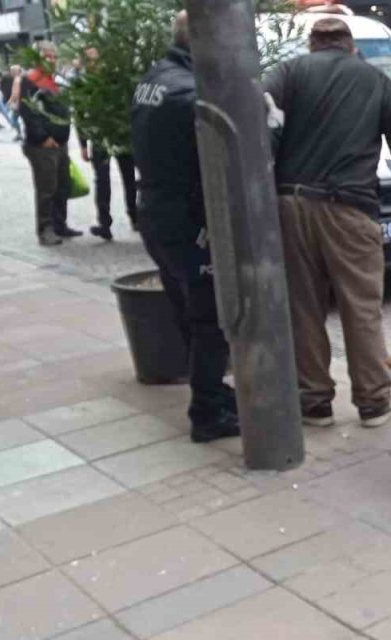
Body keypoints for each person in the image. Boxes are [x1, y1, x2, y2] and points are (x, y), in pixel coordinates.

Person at [264, 17, 391, 429]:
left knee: (303, 308)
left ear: (311, 44)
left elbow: (261, 126)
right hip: (349, 207)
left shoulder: (287, 73)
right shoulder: (373, 79)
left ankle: (314, 401)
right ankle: (373, 402)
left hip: (291, 205)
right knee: (361, 308)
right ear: (350, 46)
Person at [131, 11, 240, 443]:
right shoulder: (194, 93)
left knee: (186, 309)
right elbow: (227, 153)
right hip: (188, 220)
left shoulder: (155, 77)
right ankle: (207, 413)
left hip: (156, 211)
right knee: (209, 318)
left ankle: (210, 390)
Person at [20, 42, 82, 245]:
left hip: (59, 144)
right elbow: (28, 112)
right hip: (42, 146)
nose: (52, 60)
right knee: (47, 188)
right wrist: (43, 137)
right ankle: (45, 229)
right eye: (48, 56)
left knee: (62, 185)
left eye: (55, 56)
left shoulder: (52, 80)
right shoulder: (31, 80)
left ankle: (59, 224)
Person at [77, 49, 138, 240]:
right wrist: (83, 144)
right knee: (102, 180)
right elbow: (79, 115)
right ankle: (104, 223)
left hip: (120, 134)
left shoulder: (114, 78)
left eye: (96, 59)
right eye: (90, 60)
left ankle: (135, 216)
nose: (94, 63)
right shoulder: (82, 83)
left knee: (129, 177)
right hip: (99, 136)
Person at [0, 65, 23, 141]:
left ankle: (19, 134)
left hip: (17, 103)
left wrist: (9, 102)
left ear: (17, 71)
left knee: (14, 119)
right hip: (22, 102)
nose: (11, 72)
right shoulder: (21, 79)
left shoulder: (16, 80)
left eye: (12, 71)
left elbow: (15, 93)